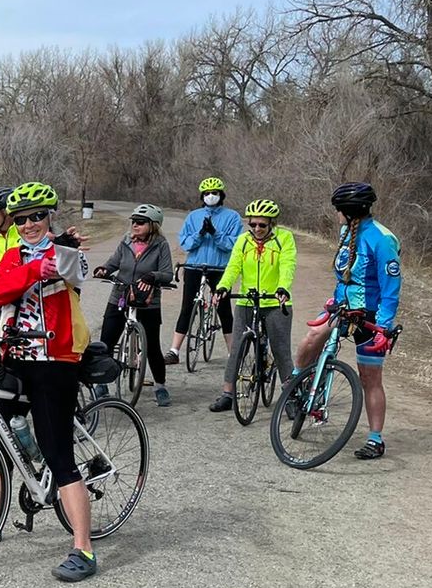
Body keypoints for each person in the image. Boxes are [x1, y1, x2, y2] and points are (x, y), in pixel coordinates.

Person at [0, 182, 100, 583]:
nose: (30, 224)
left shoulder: (66, 251)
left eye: (38, 216)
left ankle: (84, 549)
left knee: (58, 453)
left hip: (55, 361)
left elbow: (73, 273)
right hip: (16, 358)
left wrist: (61, 250)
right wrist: (31, 270)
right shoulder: (13, 256)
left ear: (49, 217)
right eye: (22, 219)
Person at [291, 182, 401, 459]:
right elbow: (345, 276)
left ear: (348, 211)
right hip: (342, 307)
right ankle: (296, 384)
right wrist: (334, 299)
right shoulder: (346, 232)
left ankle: (375, 440)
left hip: (371, 315)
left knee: (370, 377)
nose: (336, 214)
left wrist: (384, 327)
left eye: (338, 209)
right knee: (312, 338)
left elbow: (391, 288)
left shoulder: (382, 239)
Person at [208, 199, 296, 413]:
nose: (257, 229)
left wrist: (283, 288)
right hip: (247, 301)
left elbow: (288, 265)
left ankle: (291, 397)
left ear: (272, 223)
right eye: (253, 224)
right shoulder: (243, 241)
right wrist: (222, 287)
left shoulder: (284, 238)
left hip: (276, 301)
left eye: (262, 225)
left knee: (281, 350)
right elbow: (233, 267)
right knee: (237, 348)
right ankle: (228, 393)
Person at [92, 203, 175, 406]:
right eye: (133, 221)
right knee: (106, 342)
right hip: (120, 295)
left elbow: (167, 274)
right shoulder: (126, 241)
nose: (135, 225)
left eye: (140, 222)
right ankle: (101, 384)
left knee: (152, 346)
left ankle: (160, 386)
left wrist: (152, 276)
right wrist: (104, 269)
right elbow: (114, 262)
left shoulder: (161, 245)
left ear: (153, 225)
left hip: (148, 301)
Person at [167, 176, 242, 365]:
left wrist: (215, 233)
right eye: (207, 193)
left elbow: (232, 245)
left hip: (220, 268)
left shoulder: (232, 216)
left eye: (214, 193)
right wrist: (200, 233)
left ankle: (232, 353)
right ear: (202, 196)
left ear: (221, 195)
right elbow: (185, 244)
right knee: (187, 307)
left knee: (224, 309)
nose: (210, 196)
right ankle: (174, 350)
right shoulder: (193, 216)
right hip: (194, 266)